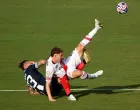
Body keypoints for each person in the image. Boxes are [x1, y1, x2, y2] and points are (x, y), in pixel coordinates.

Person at [45, 19, 103, 102]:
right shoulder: (49, 68)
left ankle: (97, 28)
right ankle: (93, 75)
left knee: (81, 46)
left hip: (68, 62)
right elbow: (47, 84)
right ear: (55, 56)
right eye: (60, 55)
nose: (62, 56)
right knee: (77, 73)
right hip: (65, 72)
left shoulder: (59, 58)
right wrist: (50, 98)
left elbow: (64, 60)